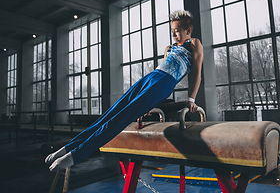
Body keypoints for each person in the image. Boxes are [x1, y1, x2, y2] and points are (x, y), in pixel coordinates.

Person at [45, 10, 204, 171]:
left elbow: (197, 74)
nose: (174, 35)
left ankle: (75, 156)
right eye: (172, 31)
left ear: (188, 31)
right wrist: (146, 105)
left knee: (119, 120)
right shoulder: (169, 48)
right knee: (111, 113)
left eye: (177, 31)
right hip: (150, 78)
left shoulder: (193, 44)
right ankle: (68, 148)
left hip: (165, 82)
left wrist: (191, 99)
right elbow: (161, 68)